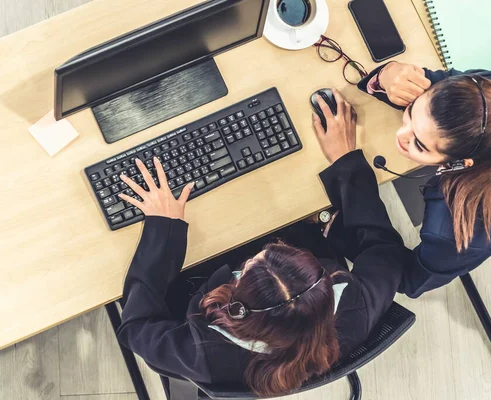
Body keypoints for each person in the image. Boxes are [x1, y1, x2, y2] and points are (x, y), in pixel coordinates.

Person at [115, 90, 409, 397]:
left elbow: (137, 328)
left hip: (194, 286)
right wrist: (347, 163)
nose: (257, 253)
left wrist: (163, 231)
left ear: (236, 306)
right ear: (325, 283)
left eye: (246, 269)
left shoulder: (200, 353)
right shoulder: (353, 307)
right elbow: (385, 252)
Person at [358, 61, 491, 297]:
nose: (400, 135)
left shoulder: (459, 229)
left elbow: (409, 279)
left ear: (461, 163)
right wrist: (388, 76)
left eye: (419, 144)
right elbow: (443, 89)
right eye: (411, 111)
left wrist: (350, 177)